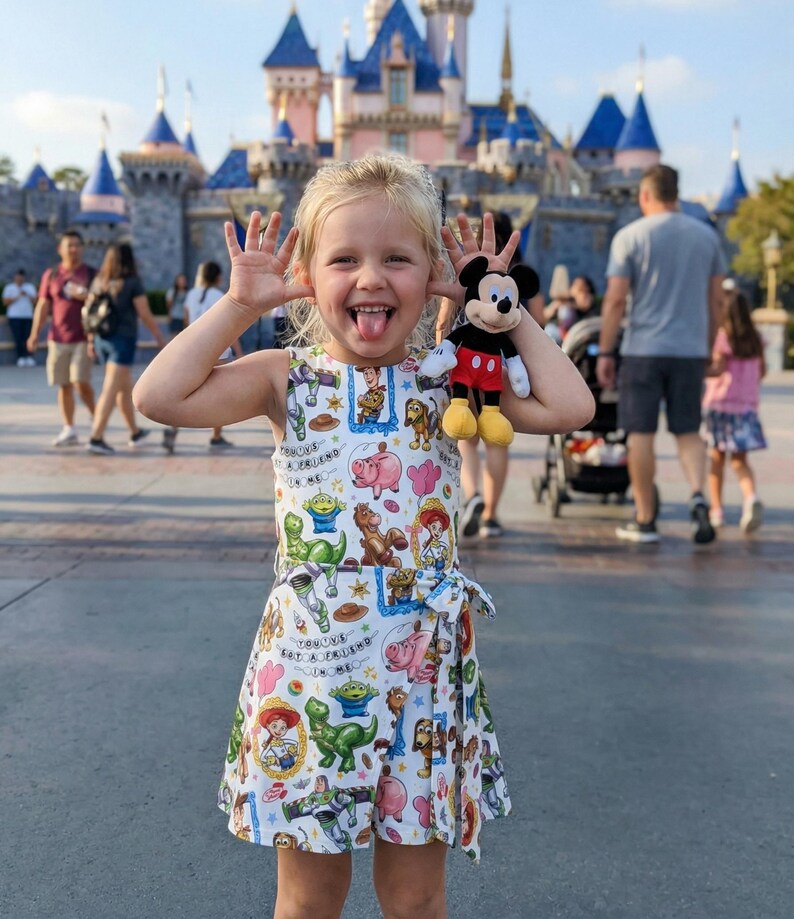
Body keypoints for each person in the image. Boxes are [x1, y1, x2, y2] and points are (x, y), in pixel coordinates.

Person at [133, 155, 593, 919]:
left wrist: (498, 304)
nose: (371, 277)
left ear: (434, 274)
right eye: (344, 258)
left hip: (424, 674)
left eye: (399, 258)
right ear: (307, 275)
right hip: (311, 673)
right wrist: (238, 306)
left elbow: (571, 406)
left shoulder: (449, 379)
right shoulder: (285, 376)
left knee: (415, 897)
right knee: (309, 898)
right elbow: (158, 395)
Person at [596, 164, 726, 544]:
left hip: (643, 351)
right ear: (676, 193)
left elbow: (615, 300)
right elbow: (717, 301)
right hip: (690, 350)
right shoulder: (707, 238)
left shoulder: (630, 237)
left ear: (645, 195)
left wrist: (605, 351)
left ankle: (645, 518)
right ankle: (698, 496)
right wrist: (709, 347)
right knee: (688, 430)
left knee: (641, 433)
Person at [439, 211, 545, 539]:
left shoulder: (467, 273)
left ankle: (473, 495)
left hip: (463, 363)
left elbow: (443, 322)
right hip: (503, 367)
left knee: (467, 439)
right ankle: (491, 515)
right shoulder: (519, 276)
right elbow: (539, 323)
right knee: (497, 441)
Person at [85, 241, 165, 456]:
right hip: (122, 341)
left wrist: (91, 341)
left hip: (102, 339)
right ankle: (96, 438)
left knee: (123, 388)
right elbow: (144, 313)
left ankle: (135, 432)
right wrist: (159, 337)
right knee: (110, 390)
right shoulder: (132, 282)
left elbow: (91, 312)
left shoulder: (99, 281)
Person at [703, 290, 766, 533]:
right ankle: (750, 498)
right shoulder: (756, 340)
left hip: (721, 405)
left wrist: (699, 371)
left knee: (716, 460)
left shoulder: (722, 339)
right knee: (740, 461)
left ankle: (716, 510)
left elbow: (717, 370)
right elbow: (762, 371)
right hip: (747, 408)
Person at [27, 229, 96, 446]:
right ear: (60, 249)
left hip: (83, 337)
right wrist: (34, 334)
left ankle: (97, 417)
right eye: (69, 245)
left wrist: (86, 295)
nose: (74, 249)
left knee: (80, 381)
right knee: (63, 384)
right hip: (57, 338)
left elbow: (102, 301)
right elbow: (43, 305)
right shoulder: (52, 275)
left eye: (77, 245)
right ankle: (69, 428)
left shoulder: (91, 274)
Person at [175, 261, 241, 451]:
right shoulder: (219, 296)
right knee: (220, 396)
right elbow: (229, 327)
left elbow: (186, 323)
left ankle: (172, 429)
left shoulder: (191, 295)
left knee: (183, 393)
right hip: (219, 352)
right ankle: (216, 435)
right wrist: (239, 352)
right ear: (218, 277)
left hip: (195, 351)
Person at [544, 275, 599, 342]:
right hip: (563, 336)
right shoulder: (565, 302)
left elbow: (585, 307)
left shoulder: (589, 302)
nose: (576, 289)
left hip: (581, 335)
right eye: (575, 285)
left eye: (581, 289)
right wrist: (557, 306)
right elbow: (545, 315)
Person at [3, 268, 37, 366]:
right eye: (18, 277)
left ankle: (29, 356)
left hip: (27, 316)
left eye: (21, 277)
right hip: (15, 316)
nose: (19, 279)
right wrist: (17, 296)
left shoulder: (29, 287)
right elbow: (5, 302)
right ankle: (20, 357)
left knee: (27, 337)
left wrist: (27, 295)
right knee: (18, 337)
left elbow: (35, 301)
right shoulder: (9, 288)